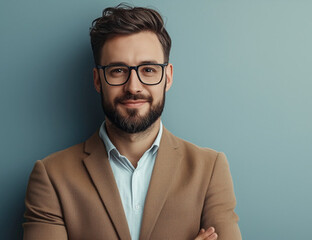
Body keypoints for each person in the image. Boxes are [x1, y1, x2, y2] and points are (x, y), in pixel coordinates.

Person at [22, 4, 242, 240]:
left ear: (167, 77)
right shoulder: (52, 176)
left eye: (148, 69)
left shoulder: (209, 169)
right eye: (118, 70)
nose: (133, 87)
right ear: (98, 80)